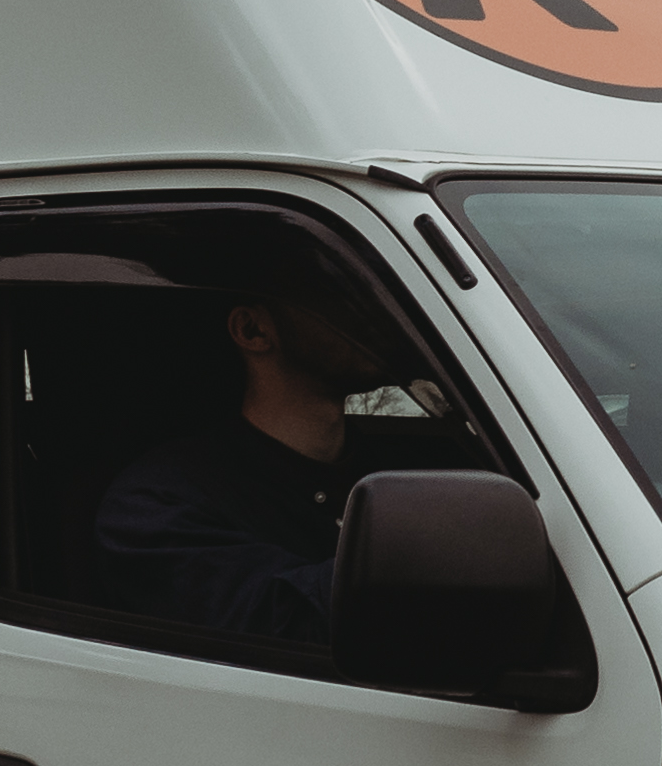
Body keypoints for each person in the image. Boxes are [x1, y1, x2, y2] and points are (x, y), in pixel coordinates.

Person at [90, 263, 462, 642]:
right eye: (336, 293)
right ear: (252, 330)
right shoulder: (156, 503)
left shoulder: (415, 469)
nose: (373, 310)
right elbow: (283, 624)